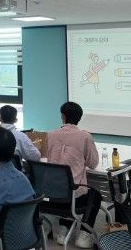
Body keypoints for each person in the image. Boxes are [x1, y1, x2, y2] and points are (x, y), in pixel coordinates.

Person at [47, 102, 100, 249]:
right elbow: (93, 163)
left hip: (52, 195)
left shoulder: (50, 135)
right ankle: (84, 235)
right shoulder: (85, 137)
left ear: (63, 117)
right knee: (95, 196)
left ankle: (63, 231)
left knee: (67, 188)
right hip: (73, 197)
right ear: (79, 118)